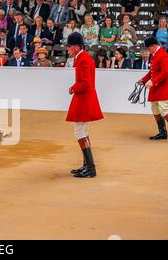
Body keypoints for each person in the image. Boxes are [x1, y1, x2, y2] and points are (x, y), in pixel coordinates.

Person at [65, 32, 104, 178]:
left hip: (84, 98)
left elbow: (86, 83)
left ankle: (91, 167)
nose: (68, 49)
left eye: (69, 46)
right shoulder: (82, 58)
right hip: (84, 98)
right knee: (83, 131)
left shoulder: (83, 59)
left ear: (76, 47)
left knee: (80, 132)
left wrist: (73, 88)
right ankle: (86, 165)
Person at [137, 37, 168, 144]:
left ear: (153, 46)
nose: (148, 51)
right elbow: (152, 71)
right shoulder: (155, 55)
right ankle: (162, 132)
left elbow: (166, 72)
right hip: (157, 87)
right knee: (155, 110)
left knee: (164, 109)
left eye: (149, 48)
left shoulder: (163, 55)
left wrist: (152, 82)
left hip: (165, 87)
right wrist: (143, 80)